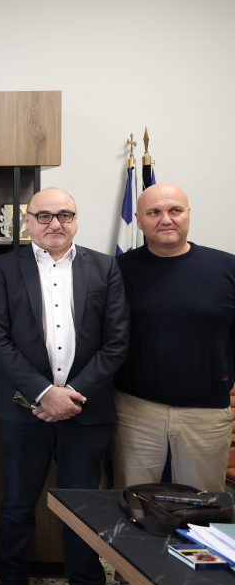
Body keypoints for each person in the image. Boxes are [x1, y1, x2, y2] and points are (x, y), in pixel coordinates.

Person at [0, 187, 128, 585]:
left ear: (76, 220)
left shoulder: (105, 267)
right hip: (22, 410)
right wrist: (44, 393)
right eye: (43, 216)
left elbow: (116, 342)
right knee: (17, 502)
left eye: (64, 215)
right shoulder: (3, 269)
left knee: (83, 507)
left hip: (86, 411)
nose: (54, 224)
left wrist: (72, 394)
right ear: (27, 222)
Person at [114, 183, 235, 493]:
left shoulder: (227, 268)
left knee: (204, 508)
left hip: (206, 413)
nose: (165, 219)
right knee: (132, 504)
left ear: (188, 215)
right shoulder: (117, 271)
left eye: (175, 210)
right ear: (139, 220)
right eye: (154, 212)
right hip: (135, 411)